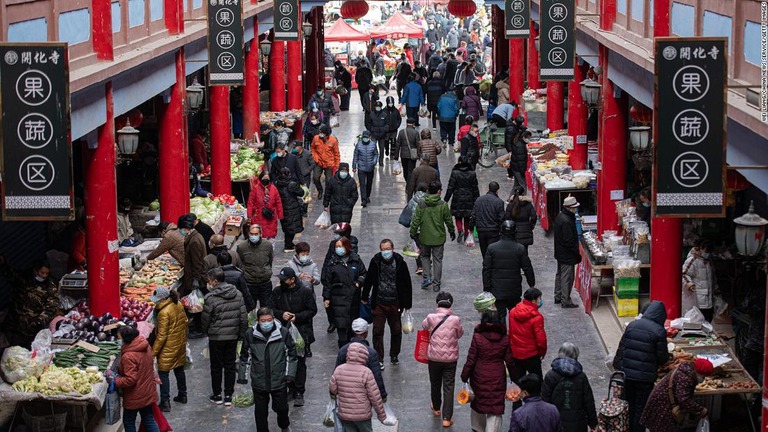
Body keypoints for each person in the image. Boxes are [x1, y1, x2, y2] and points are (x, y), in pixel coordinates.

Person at [612, 300, 670, 432]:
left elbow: (621, 348)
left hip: (627, 375)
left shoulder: (632, 325)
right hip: (645, 378)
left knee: (629, 405)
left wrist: (618, 366)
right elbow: (662, 358)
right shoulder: (659, 331)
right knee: (640, 409)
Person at [242, 307, 297, 432]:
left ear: (273, 319)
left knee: (282, 408)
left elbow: (291, 355)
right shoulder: (250, 335)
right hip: (259, 380)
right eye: (263, 320)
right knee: (260, 411)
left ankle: (284, 426)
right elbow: (245, 356)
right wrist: (242, 377)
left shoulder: (283, 333)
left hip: (278, 379)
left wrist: (290, 375)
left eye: (268, 320)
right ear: (258, 321)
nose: (266, 323)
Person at [268, 267, 317, 407]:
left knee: (300, 362)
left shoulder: (305, 292)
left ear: (292, 280)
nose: (282, 282)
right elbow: (270, 308)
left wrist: (297, 317)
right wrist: (281, 314)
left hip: (301, 332)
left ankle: (299, 391)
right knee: (285, 360)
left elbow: (312, 310)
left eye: (285, 279)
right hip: (283, 332)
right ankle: (290, 388)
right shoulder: (277, 292)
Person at [460, 309, 515, 432]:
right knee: (495, 406)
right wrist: (515, 378)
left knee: (478, 402)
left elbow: (471, 359)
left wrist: (464, 376)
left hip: (479, 376)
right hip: (497, 377)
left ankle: (478, 428)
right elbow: (510, 361)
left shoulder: (478, 337)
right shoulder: (504, 338)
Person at [362, 239, 413, 367]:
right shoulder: (375, 261)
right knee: (377, 331)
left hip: (395, 303)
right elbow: (369, 279)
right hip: (379, 302)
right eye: (383, 249)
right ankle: (379, 358)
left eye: (388, 248)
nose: (386, 251)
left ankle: (394, 354)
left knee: (396, 331)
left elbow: (407, 283)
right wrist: (364, 296)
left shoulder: (400, 263)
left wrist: (407, 304)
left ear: (393, 248)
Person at [202, 268, 247, 407]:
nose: (208, 284)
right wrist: (241, 334)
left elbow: (205, 319)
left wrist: (207, 332)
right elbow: (243, 317)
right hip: (232, 336)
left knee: (216, 367)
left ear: (215, 281)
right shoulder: (237, 294)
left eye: (209, 281)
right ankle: (228, 395)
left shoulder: (210, 298)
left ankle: (217, 395)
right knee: (230, 365)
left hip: (216, 337)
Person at [422, 292, 464, 428]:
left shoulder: (430, 317)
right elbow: (460, 334)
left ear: (437, 303)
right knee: (449, 386)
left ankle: (436, 408)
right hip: (450, 359)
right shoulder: (456, 319)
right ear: (450, 304)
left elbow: (424, 326)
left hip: (434, 357)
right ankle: (446, 418)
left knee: (435, 383)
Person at [329, 343, 393, 431]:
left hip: (345, 415)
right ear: (365, 356)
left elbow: (333, 389)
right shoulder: (366, 372)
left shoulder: (339, 369)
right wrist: (382, 415)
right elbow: (374, 396)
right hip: (363, 416)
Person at [109, 326, 160, 432]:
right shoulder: (145, 346)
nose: (118, 340)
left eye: (119, 338)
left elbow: (130, 379)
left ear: (126, 339)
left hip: (135, 395)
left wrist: (115, 381)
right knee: (148, 418)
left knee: (128, 420)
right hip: (148, 390)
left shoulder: (128, 356)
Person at [3, 260, 60, 348]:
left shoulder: (50, 286)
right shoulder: (23, 278)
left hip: (32, 328)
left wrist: (40, 320)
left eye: (47, 273)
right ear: (35, 271)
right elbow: (9, 273)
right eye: (42, 273)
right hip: (15, 324)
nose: (44, 276)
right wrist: (3, 263)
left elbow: (51, 306)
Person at [410, 181, 456, 292]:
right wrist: (452, 231)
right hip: (438, 238)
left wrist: (413, 232)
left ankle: (426, 278)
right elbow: (448, 220)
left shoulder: (421, 204)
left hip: (424, 237)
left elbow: (416, 220)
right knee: (438, 260)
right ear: (439, 191)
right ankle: (436, 284)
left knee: (425, 256)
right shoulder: (442, 205)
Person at [322, 236, 367, 347]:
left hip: (353, 300)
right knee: (341, 328)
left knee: (352, 327)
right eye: (337, 247)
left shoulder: (356, 260)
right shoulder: (333, 263)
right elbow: (327, 282)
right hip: (338, 300)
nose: (339, 249)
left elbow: (364, 274)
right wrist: (326, 297)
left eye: (340, 246)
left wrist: (359, 283)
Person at [542, 343, 598, 432]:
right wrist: (593, 423)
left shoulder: (551, 375)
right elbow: (588, 402)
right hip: (578, 424)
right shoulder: (581, 376)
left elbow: (544, 401)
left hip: (556, 423)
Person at [640, 360, 710, 432]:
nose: (703, 379)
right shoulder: (685, 377)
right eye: (703, 376)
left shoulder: (686, 371)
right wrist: (700, 409)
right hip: (662, 405)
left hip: (663, 402)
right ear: (699, 372)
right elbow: (684, 400)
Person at [483, 221, 536, 315]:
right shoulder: (520, 248)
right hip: (514, 289)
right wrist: (531, 284)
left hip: (497, 290)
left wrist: (487, 287)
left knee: (500, 317)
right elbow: (527, 268)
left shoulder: (492, 248)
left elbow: (486, 269)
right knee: (515, 316)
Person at [150, 287, 188, 412]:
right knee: (179, 369)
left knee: (163, 374)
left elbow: (161, 336)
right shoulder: (178, 304)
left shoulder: (163, 313)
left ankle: (165, 402)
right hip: (179, 344)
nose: (156, 303)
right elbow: (185, 322)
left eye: (158, 300)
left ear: (164, 298)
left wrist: (153, 353)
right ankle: (183, 395)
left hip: (168, 348)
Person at [508, 288, 547, 390]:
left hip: (516, 354)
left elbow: (510, 333)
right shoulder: (537, 317)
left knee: (517, 383)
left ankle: (517, 404)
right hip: (531, 355)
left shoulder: (512, 312)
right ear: (533, 300)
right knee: (538, 382)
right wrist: (542, 353)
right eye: (539, 298)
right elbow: (541, 340)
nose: (540, 301)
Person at [337, 318, 387, 395]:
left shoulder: (343, 350)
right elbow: (377, 376)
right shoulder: (371, 353)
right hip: (363, 394)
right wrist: (382, 394)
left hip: (346, 395)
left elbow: (336, 374)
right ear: (366, 333)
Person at [178, 214, 206, 337]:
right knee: (195, 304)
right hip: (195, 276)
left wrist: (195, 280)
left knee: (196, 305)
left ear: (185, 228)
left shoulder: (194, 241)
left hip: (196, 277)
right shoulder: (195, 236)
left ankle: (199, 329)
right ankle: (196, 326)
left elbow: (197, 263)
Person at [554, 196, 582, 309]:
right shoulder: (566, 220)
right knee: (567, 277)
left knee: (560, 274)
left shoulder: (561, 216)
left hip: (560, 252)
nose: (575, 209)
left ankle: (558, 295)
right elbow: (569, 240)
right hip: (566, 254)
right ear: (569, 208)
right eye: (574, 207)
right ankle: (565, 300)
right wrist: (576, 253)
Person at [236, 223, 274, 309]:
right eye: (252, 234)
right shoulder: (242, 247)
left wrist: (267, 272)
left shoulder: (267, 245)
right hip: (249, 283)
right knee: (250, 309)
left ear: (260, 234)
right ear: (248, 234)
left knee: (266, 309)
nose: (254, 236)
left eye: (256, 234)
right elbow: (240, 263)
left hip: (265, 283)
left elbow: (270, 260)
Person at [444, 157, 480, 246]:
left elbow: (450, 187)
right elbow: (475, 188)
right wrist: (477, 199)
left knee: (458, 216)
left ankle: (460, 230)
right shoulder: (472, 173)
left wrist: (446, 199)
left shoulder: (455, 172)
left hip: (457, 197)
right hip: (469, 197)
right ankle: (466, 234)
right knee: (467, 217)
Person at [682, 239, 717, 322]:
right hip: (698, 299)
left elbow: (712, 279)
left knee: (708, 320)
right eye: (707, 251)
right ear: (701, 248)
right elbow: (684, 274)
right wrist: (689, 284)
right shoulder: (692, 260)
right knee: (699, 321)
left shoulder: (709, 261)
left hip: (709, 300)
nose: (708, 253)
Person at [472, 181, 506, 257]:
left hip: (481, 230)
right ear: (497, 190)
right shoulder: (499, 202)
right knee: (493, 252)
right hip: (493, 230)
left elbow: (474, 215)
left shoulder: (479, 200)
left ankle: (486, 266)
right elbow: (501, 218)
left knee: (484, 252)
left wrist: (471, 228)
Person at [247, 170, 283, 240]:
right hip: (258, 217)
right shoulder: (255, 189)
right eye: (264, 178)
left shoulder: (274, 189)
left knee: (271, 237)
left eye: (267, 179)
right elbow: (250, 203)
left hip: (271, 218)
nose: (265, 180)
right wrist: (249, 215)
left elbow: (278, 202)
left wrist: (280, 215)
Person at [311, 124, 341, 200]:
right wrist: (316, 158)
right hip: (319, 162)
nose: (320, 134)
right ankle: (320, 191)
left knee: (329, 180)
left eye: (322, 133)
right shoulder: (316, 138)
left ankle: (327, 194)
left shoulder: (333, 140)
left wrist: (337, 166)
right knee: (315, 178)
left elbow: (336, 153)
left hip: (329, 163)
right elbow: (313, 149)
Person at [506, 185, 537, 252]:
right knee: (524, 251)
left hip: (514, 231)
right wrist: (531, 226)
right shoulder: (528, 204)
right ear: (523, 194)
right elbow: (534, 216)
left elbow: (507, 217)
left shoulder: (510, 205)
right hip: (526, 230)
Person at [352, 131, 379, 207]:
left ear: (370, 137)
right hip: (361, 168)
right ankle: (363, 199)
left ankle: (367, 196)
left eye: (366, 137)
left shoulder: (373, 145)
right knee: (362, 184)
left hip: (370, 167)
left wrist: (374, 162)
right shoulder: (358, 145)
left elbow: (376, 154)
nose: (365, 139)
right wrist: (354, 166)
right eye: (364, 137)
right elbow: (355, 155)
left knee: (369, 183)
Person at [393, 117, 421, 183]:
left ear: (406, 123)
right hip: (412, 155)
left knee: (405, 169)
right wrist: (419, 155)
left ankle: (407, 182)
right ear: (414, 123)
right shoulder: (416, 133)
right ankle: (409, 184)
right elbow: (418, 145)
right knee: (411, 170)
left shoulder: (402, 132)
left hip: (403, 155)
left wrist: (396, 156)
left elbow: (397, 144)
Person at [505, 118, 529, 190]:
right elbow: (508, 141)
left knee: (516, 184)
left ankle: (510, 200)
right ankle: (521, 199)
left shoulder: (515, 128)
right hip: (517, 167)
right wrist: (510, 150)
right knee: (522, 185)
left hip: (515, 167)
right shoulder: (520, 146)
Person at [369, 101, 391, 166]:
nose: (378, 108)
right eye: (377, 107)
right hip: (374, 134)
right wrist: (371, 130)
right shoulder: (371, 114)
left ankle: (381, 161)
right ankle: (374, 161)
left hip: (382, 135)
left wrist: (384, 130)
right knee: (373, 148)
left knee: (381, 149)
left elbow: (387, 124)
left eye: (379, 107)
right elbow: (369, 123)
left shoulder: (384, 115)